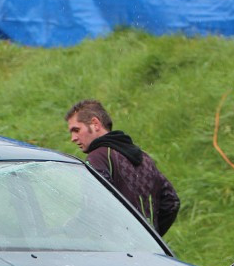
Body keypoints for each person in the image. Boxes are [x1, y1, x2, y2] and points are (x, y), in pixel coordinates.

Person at [65, 99, 180, 236]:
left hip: (116, 251)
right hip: (149, 253)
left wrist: (66, 231)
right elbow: (171, 202)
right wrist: (150, 237)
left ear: (95, 124)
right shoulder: (145, 158)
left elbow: (94, 206)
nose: (73, 138)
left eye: (76, 130)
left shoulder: (98, 158)